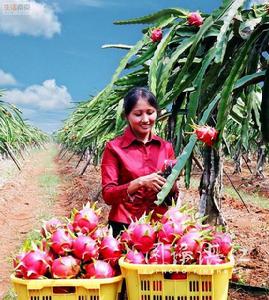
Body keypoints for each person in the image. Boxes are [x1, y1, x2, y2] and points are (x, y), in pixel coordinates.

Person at [101, 87, 178, 237]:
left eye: (150, 113)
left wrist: (172, 184)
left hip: (159, 227)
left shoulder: (166, 147)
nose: (145, 119)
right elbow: (108, 195)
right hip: (123, 227)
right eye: (138, 114)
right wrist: (139, 183)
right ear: (126, 116)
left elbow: (171, 197)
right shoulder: (114, 148)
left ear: (157, 112)